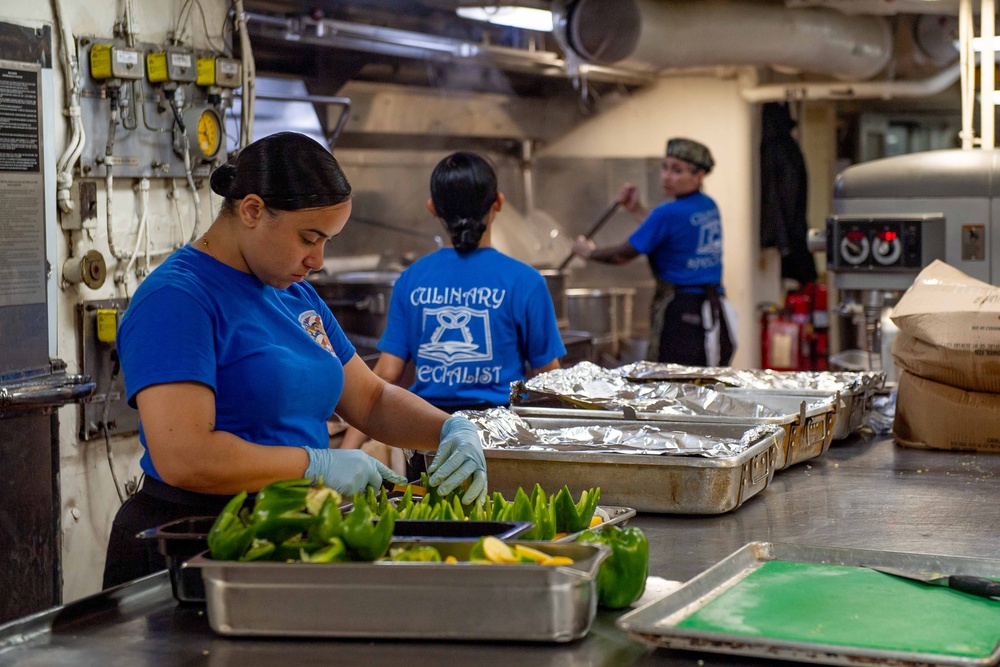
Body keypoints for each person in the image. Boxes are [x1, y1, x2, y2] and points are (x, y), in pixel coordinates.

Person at [103, 132, 487, 589]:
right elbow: (185, 456)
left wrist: (451, 429)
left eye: (327, 240)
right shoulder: (177, 299)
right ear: (251, 211)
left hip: (288, 535)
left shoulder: (295, 295)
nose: (318, 259)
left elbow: (371, 399)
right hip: (199, 546)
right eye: (310, 237)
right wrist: (315, 465)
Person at [340, 151, 566, 475]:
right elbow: (548, 380)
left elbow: (385, 375)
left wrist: (347, 451)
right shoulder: (525, 281)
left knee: (430, 523)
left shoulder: (411, 279)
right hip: (498, 442)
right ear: (498, 203)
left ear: (432, 207)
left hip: (427, 436)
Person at [571, 137, 737, 367]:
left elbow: (622, 255)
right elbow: (668, 232)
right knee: (700, 380)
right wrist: (637, 209)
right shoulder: (708, 205)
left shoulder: (667, 213)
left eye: (677, 170)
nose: (667, 176)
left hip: (679, 313)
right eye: (665, 167)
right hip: (711, 309)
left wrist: (588, 252)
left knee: (670, 381)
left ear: (699, 175)